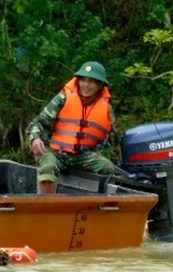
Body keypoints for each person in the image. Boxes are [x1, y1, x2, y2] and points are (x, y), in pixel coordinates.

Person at [25, 61, 117, 194]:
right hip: (55, 151)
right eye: (83, 80)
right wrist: (35, 138)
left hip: (81, 155)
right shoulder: (63, 98)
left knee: (107, 168)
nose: (86, 85)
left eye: (91, 82)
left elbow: (111, 137)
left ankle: (95, 205)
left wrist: (97, 149)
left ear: (100, 85)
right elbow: (37, 123)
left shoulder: (106, 109)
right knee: (48, 168)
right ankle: (47, 205)